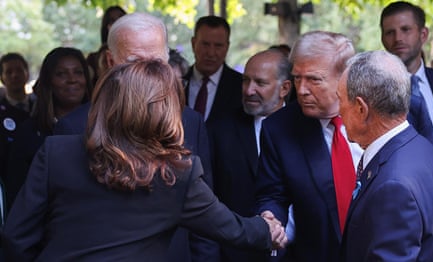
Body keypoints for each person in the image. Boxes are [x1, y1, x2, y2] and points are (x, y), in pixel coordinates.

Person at [1, 60, 288, 261]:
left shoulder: (56, 152)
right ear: (165, 111)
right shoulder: (176, 173)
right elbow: (232, 229)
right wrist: (268, 228)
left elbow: (16, 237)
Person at [52, 12, 216, 262]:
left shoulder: (190, 122)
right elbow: (59, 223)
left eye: (156, 62)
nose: (146, 73)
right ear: (110, 61)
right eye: (135, 61)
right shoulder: (73, 128)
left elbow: (206, 219)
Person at [338, 50, 433, 261]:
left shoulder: (394, 187)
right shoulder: (424, 147)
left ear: (361, 109)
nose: (338, 112)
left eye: (341, 101)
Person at [255, 31, 363, 261]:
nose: (301, 89)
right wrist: (270, 218)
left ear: (345, 77)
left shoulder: (374, 114)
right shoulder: (279, 129)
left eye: (314, 79)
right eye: (297, 78)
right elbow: (273, 194)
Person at [380, 1, 433, 252]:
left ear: (423, 34)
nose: (398, 38)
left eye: (406, 29)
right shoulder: (372, 89)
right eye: (390, 32)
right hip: (393, 209)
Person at [208, 49, 291, 261]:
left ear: (284, 88)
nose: (248, 90)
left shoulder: (306, 128)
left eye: (260, 83)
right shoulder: (219, 130)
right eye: (246, 81)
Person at [4, 47, 91, 210]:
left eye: (78, 72)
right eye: (61, 74)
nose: (72, 79)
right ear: (48, 81)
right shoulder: (28, 133)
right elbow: (17, 192)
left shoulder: (105, 127)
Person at [184, 15, 242, 124]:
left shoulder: (241, 87)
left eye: (218, 46)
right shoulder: (176, 83)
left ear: (227, 47)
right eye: (205, 44)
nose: (211, 53)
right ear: (193, 43)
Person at [0, 53, 34, 181]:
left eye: (19, 70)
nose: (15, 75)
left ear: (27, 74)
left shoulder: (40, 108)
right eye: (9, 72)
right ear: (2, 78)